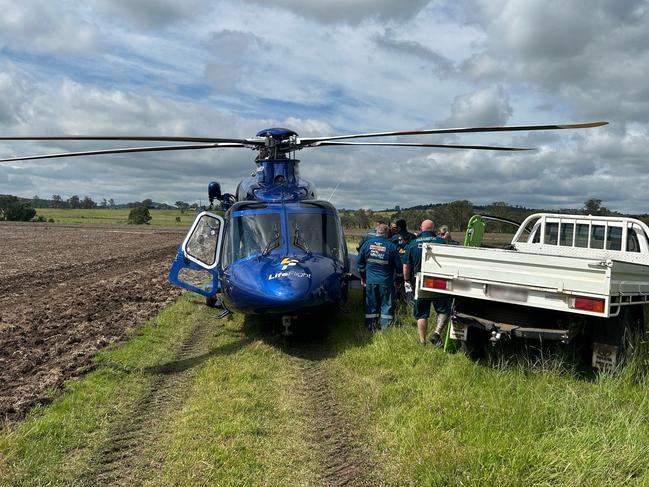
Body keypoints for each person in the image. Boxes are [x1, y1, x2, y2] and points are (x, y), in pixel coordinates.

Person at [403, 219, 453, 346]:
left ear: (421, 228)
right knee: (443, 310)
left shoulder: (412, 244)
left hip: (420, 281)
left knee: (421, 313)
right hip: (439, 281)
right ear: (433, 229)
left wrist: (406, 280)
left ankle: (422, 341)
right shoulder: (442, 242)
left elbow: (406, 266)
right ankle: (437, 333)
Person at [357, 223, 403, 331]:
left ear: (376, 232)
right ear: (387, 234)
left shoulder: (367, 244)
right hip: (386, 282)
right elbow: (399, 267)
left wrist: (363, 277)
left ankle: (370, 328)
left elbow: (360, 264)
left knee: (371, 304)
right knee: (386, 305)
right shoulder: (391, 246)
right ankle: (385, 330)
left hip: (371, 281)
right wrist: (399, 280)